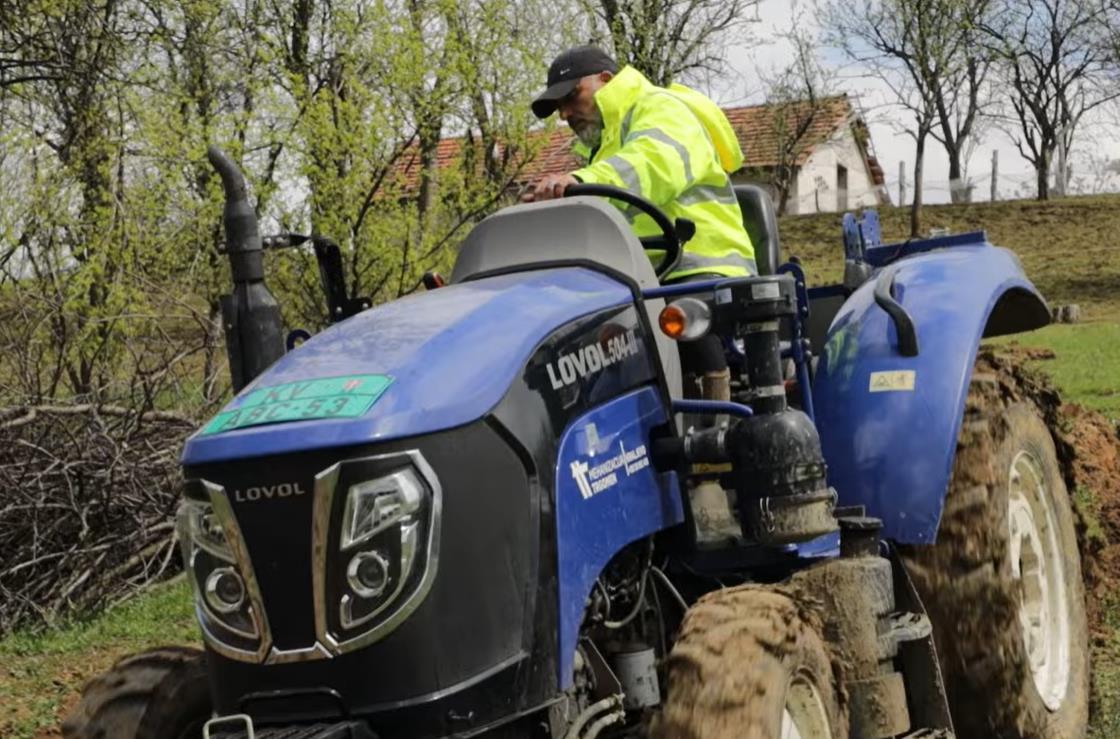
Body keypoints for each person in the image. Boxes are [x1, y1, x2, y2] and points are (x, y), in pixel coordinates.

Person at [528, 46, 753, 541]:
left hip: (705, 271)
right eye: (557, 107)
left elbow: (650, 168)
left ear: (607, 79)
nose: (565, 113)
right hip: (640, 284)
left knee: (683, 325)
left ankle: (709, 478)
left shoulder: (661, 111)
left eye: (572, 96)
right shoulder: (599, 150)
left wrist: (581, 183)